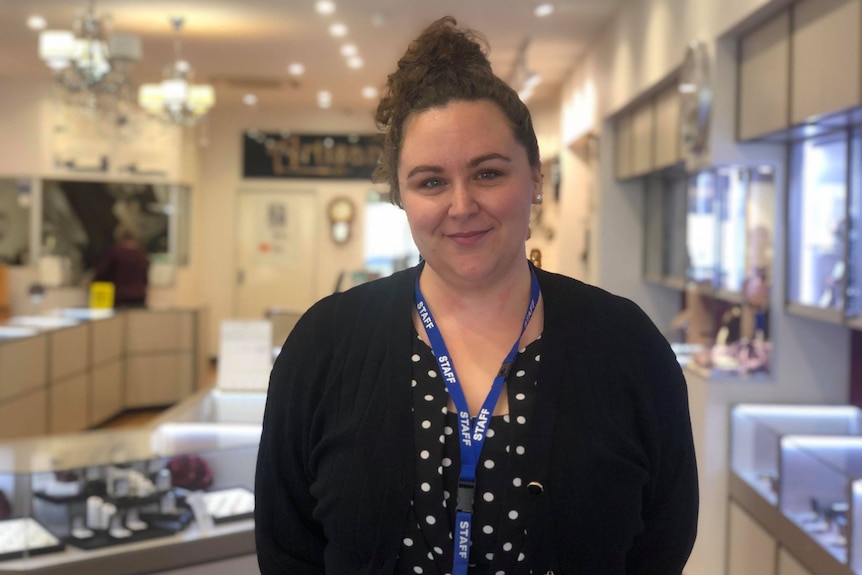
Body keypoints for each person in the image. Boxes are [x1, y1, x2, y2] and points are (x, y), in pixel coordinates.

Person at [255, 16, 698, 575]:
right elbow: (286, 544)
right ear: (401, 196)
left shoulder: (626, 344)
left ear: (535, 177)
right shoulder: (324, 344)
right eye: (431, 181)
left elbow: (663, 541)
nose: (461, 205)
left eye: (488, 174)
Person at [92, 226, 149, 308]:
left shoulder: (115, 252)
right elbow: (145, 277)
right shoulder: (141, 254)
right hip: (139, 297)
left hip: (120, 297)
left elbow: (101, 273)